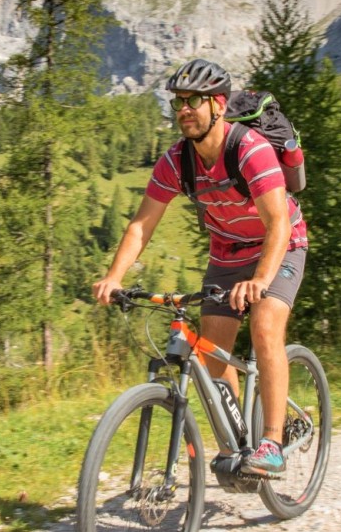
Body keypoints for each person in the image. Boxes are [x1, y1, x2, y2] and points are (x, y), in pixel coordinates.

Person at [93, 58, 308, 477]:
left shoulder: (250, 150)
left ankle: (273, 442)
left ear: (219, 106)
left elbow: (278, 223)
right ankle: (240, 439)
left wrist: (261, 280)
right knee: (213, 353)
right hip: (227, 253)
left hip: (280, 245)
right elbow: (142, 225)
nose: (184, 109)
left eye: (195, 100)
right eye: (178, 102)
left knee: (265, 325)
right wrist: (115, 277)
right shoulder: (176, 162)